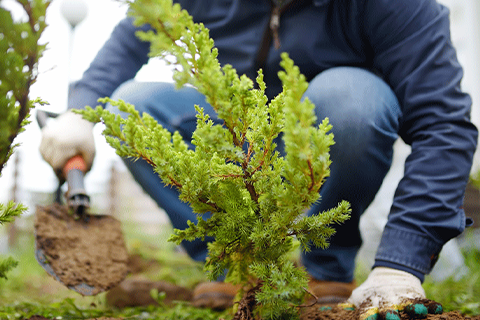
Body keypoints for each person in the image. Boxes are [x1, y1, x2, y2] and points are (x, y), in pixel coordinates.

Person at [40, 0, 478, 318]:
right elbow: (133, 33)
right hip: (238, 145)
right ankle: (234, 260)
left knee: (352, 98)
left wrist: (401, 264)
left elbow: (443, 126)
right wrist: (79, 110)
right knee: (126, 108)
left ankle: (327, 265)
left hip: (326, 143)